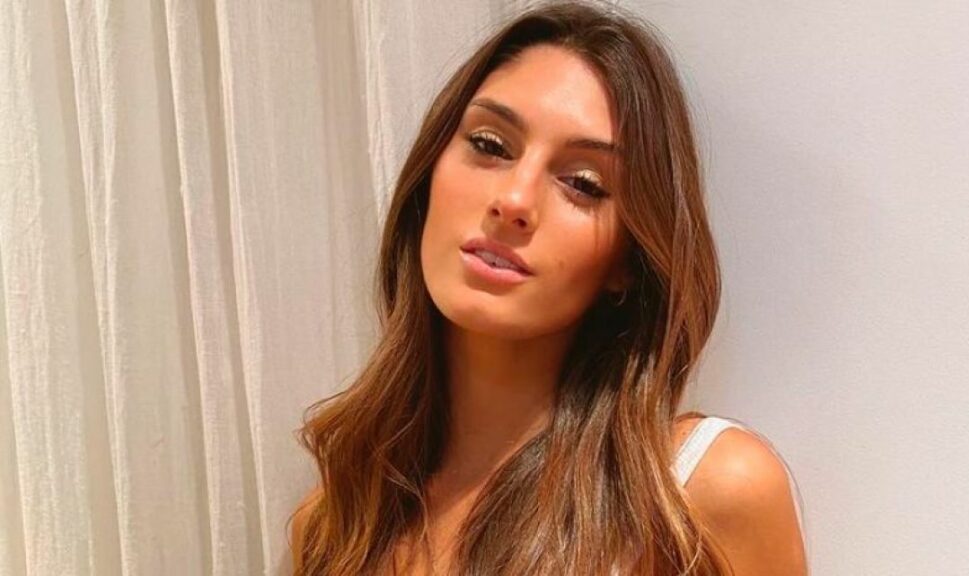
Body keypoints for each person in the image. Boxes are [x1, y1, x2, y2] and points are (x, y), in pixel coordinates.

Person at [289, 1, 807, 574]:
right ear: (428, 175)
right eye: (490, 145)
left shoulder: (698, 496)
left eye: (583, 183)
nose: (514, 200)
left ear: (627, 261)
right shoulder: (337, 522)